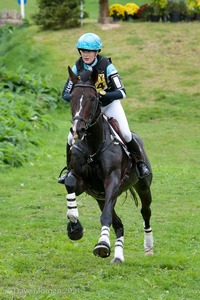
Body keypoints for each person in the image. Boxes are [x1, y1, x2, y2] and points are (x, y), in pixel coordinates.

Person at [58, 32, 150, 183]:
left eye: (89, 51)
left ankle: (140, 164)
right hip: (88, 109)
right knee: (70, 138)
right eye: (82, 51)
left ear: (96, 52)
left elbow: (122, 92)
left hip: (109, 105)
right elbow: (65, 94)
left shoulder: (107, 66)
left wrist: (103, 95)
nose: (85, 54)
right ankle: (69, 170)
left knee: (126, 134)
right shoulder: (77, 66)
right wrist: (78, 96)